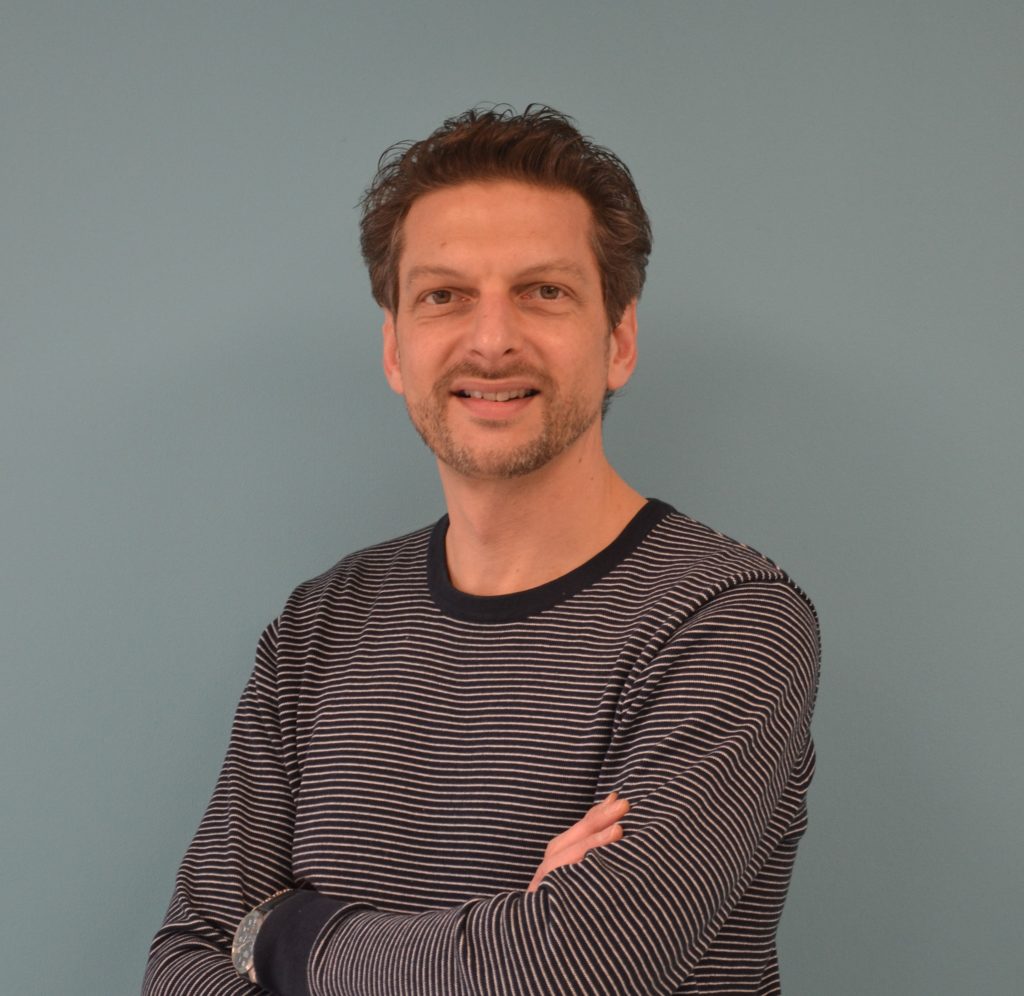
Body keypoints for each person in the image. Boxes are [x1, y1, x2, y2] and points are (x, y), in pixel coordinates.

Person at [142, 105, 820, 996]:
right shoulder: (320, 624)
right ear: (395, 348)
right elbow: (182, 966)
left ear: (618, 341)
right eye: (444, 296)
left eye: (544, 292)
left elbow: (575, 965)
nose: (492, 340)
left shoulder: (729, 621)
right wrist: (503, 944)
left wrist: (284, 938)